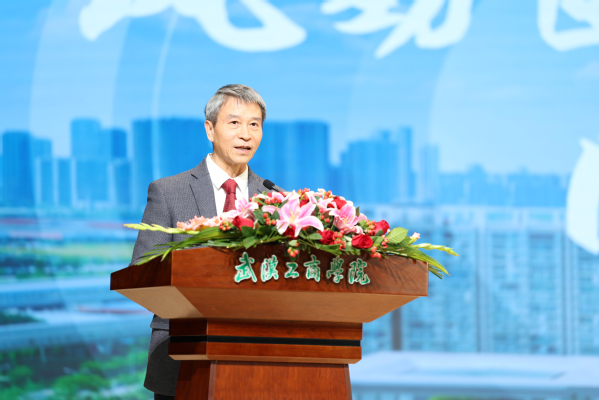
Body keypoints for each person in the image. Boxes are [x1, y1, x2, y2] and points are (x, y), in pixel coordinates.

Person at [129, 84, 271, 399]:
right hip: (182, 352)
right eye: (234, 123)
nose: (245, 134)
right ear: (210, 129)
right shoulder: (169, 192)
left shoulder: (274, 198)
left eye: (254, 124)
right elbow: (142, 270)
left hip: (257, 357)